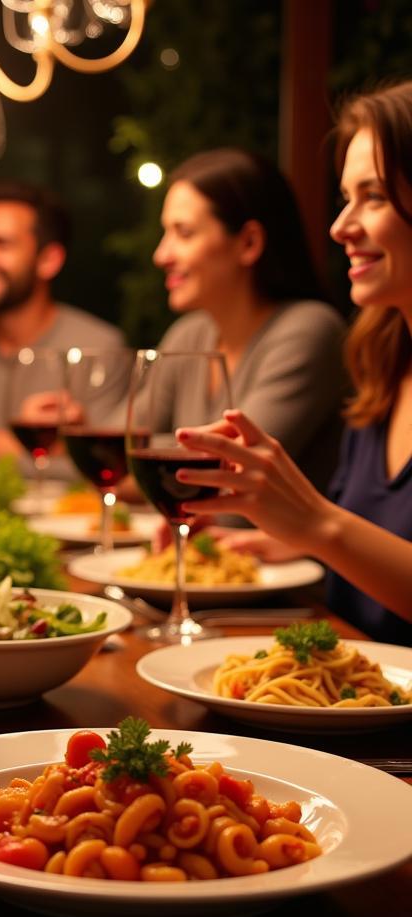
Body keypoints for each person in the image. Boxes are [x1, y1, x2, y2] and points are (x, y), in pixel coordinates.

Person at [176, 82, 412, 644]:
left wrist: (322, 527)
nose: (340, 228)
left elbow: (342, 530)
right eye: (345, 198)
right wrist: (297, 538)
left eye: (374, 197)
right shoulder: (381, 363)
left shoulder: (311, 332)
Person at [148, 148, 347, 493]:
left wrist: (149, 449)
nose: (161, 255)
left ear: (249, 243)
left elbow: (230, 483)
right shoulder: (188, 335)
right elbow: (120, 445)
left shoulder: (309, 330)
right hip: (206, 543)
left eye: (183, 233)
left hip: (277, 548)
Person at [0, 180, 126, 458]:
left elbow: (108, 467)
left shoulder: (101, 348)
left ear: (48, 260)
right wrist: (26, 444)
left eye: (1, 244)